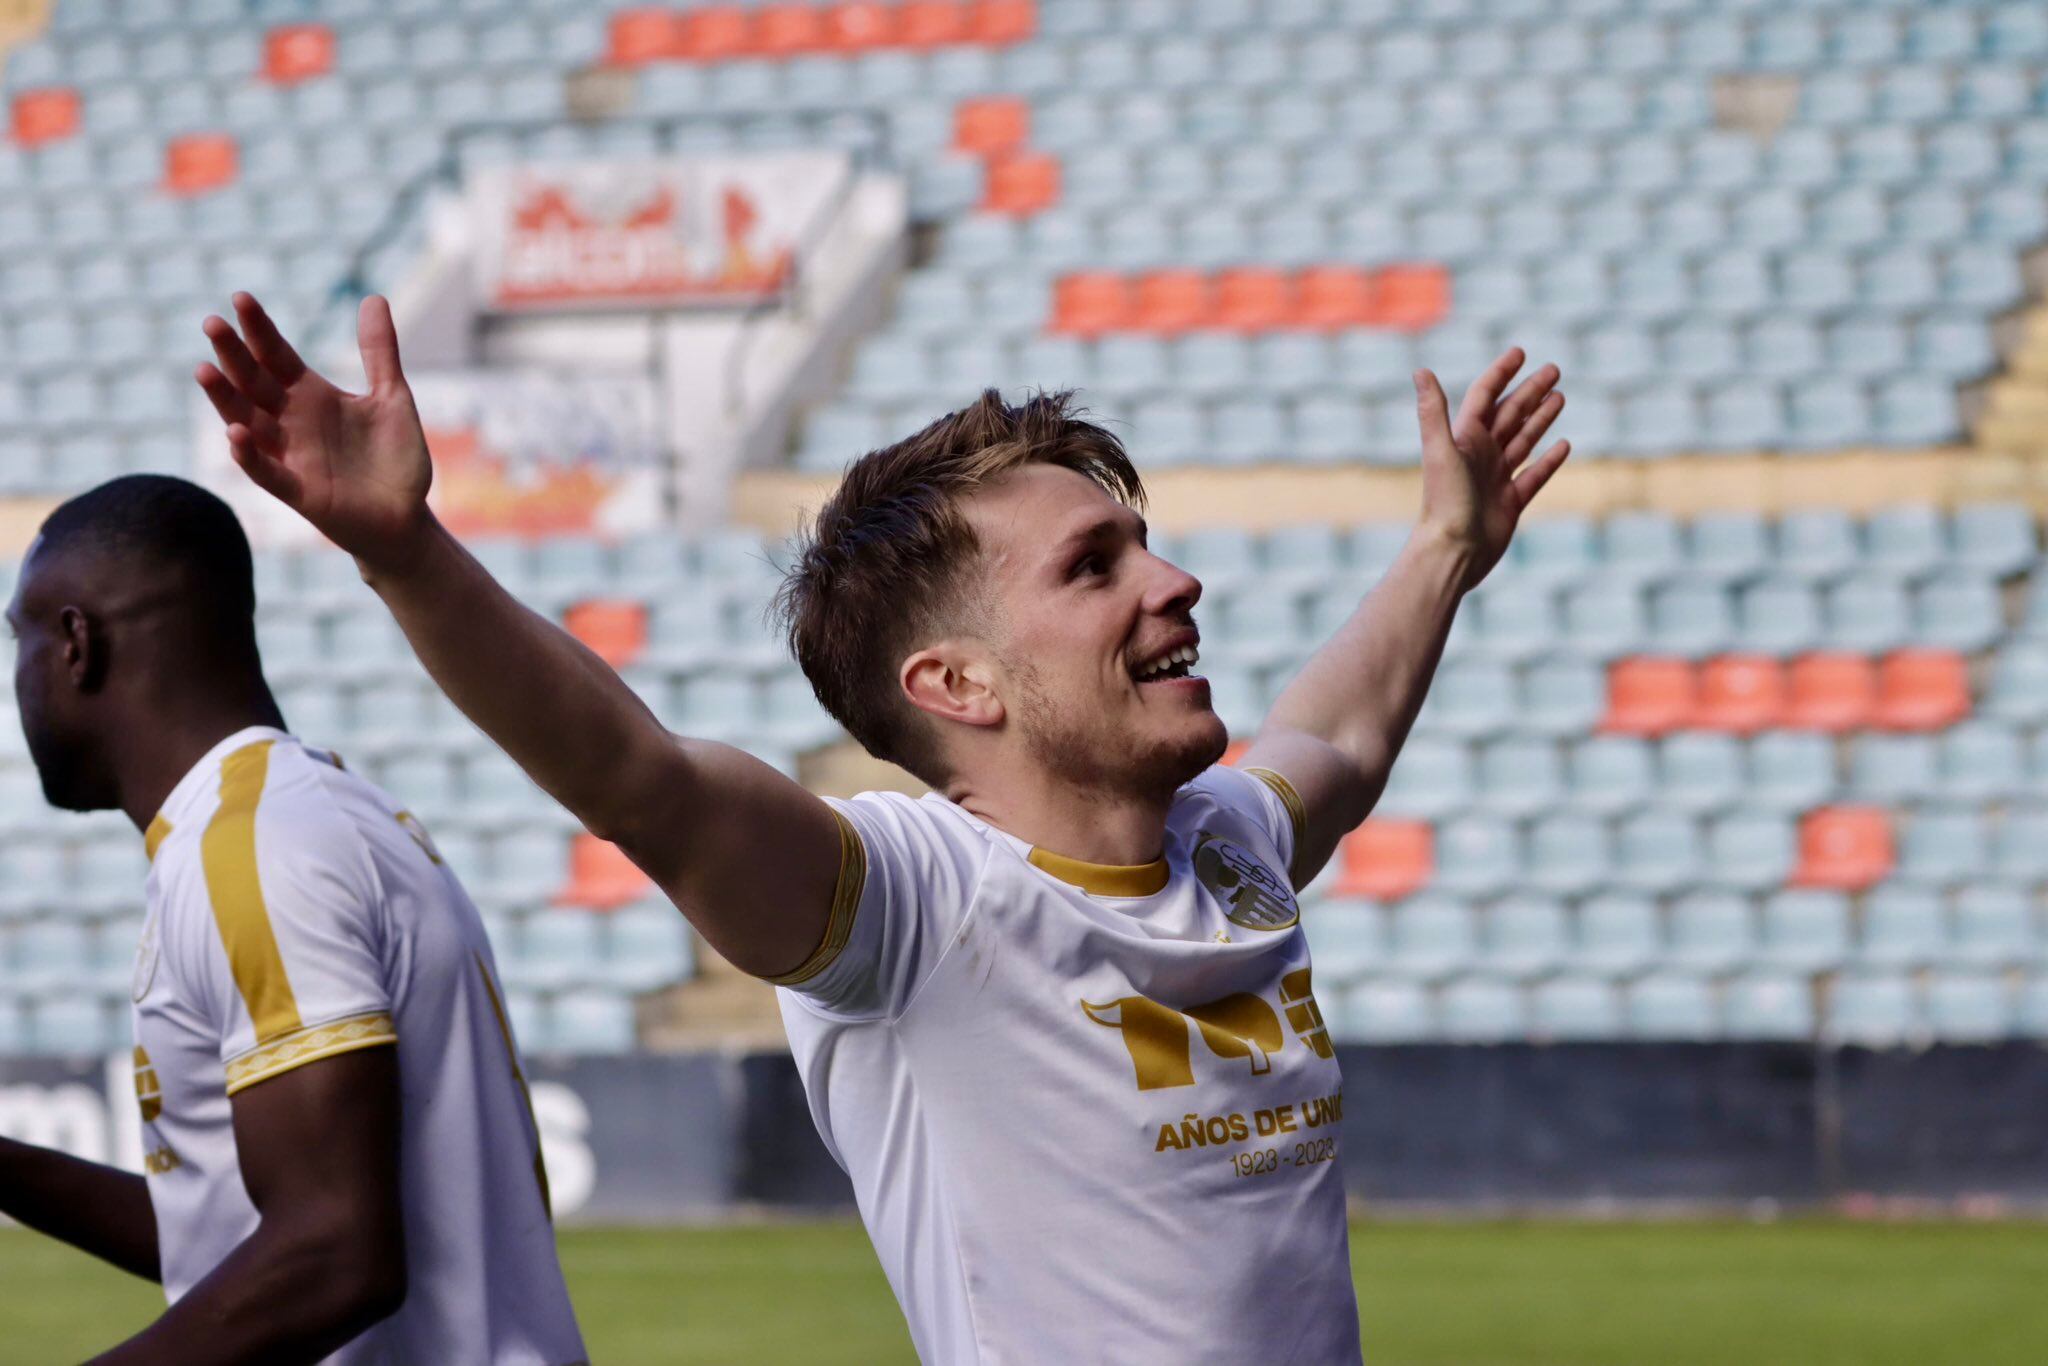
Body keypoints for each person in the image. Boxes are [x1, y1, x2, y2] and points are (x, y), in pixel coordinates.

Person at [195, 291, 1568, 1363]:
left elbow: (1343, 731)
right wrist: (405, 549)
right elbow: (640, 781)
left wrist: (1446, 546)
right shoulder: (918, 907)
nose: (1176, 579)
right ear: (955, 685)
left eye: (1143, 542)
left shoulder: (1226, 842)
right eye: (1096, 566)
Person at [0, 475, 588, 1365]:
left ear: (77, 644)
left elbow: (336, 1254)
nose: (19, 679)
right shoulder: (300, 816)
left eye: (22, 639)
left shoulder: (254, 849)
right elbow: (234, 1241)